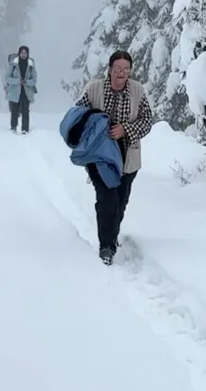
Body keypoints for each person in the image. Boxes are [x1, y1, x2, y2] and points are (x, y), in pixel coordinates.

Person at [75, 50, 154, 264]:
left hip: (128, 158)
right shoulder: (94, 89)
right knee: (106, 199)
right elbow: (77, 116)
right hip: (99, 157)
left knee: (120, 202)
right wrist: (97, 127)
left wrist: (125, 129)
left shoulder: (137, 90)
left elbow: (147, 120)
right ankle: (106, 246)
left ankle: (112, 235)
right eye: (118, 69)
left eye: (126, 70)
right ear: (110, 69)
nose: (121, 73)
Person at [4, 45, 37, 133]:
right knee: (14, 110)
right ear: (19, 53)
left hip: (27, 91)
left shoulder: (31, 64)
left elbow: (34, 79)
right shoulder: (13, 64)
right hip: (15, 91)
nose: (23, 55)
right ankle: (13, 127)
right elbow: (7, 78)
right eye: (22, 53)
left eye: (25, 53)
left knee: (25, 111)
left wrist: (27, 82)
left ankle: (25, 129)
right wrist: (18, 81)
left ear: (28, 54)